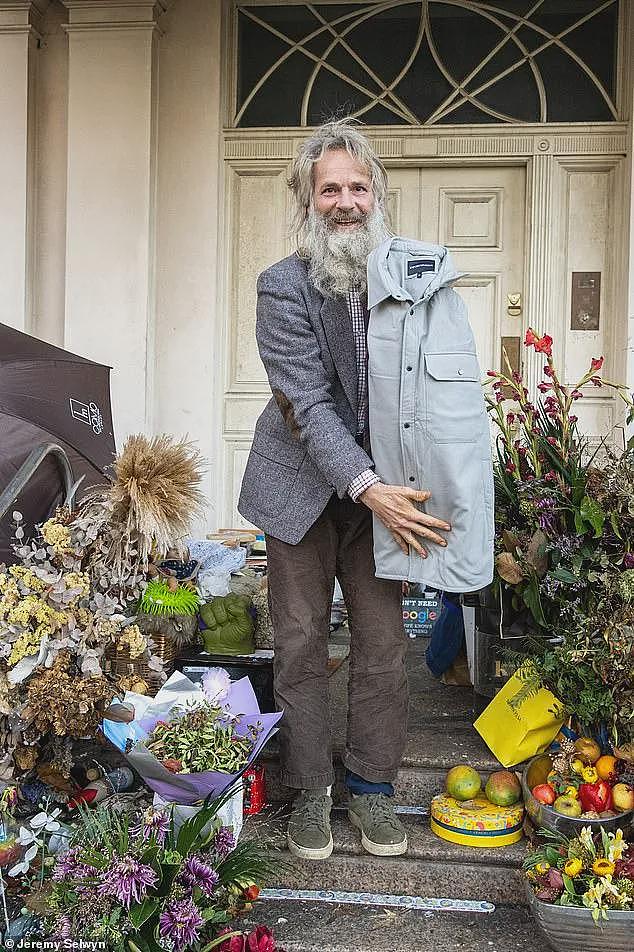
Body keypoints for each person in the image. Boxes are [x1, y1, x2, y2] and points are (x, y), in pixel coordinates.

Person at [238, 119, 451, 861]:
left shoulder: (409, 278)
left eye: (358, 187)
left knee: (384, 644)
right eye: (330, 188)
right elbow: (308, 405)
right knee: (298, 643)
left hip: (383, 491)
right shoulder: (282, 285)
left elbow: (435, 382)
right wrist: (369, 487)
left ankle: (370, 789)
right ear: (307, 199)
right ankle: (310, 792)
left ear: (377, 196)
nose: (345, 202)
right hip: (301, 487)